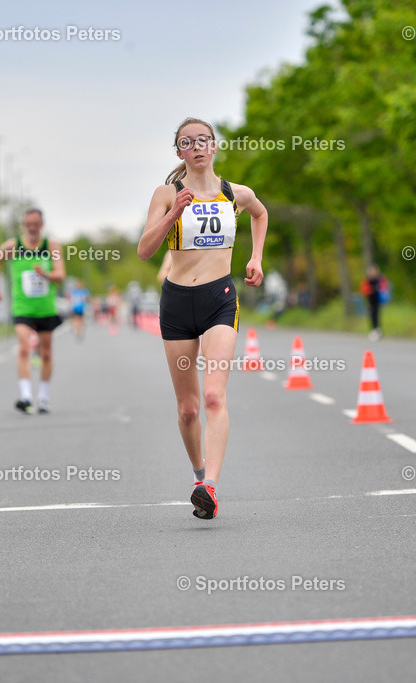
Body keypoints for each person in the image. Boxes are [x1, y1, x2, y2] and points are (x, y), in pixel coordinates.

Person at [137, 116, 267, 520]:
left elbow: (261, 215)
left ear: (214, 147)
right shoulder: (166, 193)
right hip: (176, 302)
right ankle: (197, 476)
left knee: (213, 396)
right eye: (187, 142)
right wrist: (172, 213)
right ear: (179, 152)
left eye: (203, 140)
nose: (196, 146)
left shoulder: (235, 193)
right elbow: (144, 251)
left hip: (219, 299)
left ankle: (210, 486)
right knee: (188, 408)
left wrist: (256, 257)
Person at [0, 208, 66, 414]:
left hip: (45, 308)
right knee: (24, 348)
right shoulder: (13, 245)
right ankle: (26, 397)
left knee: (45, 353)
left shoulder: (51, 245)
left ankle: (43, 397)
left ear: (41, 225)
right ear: (24, 225)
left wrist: (46, 275)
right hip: (22, 307)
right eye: (28, 225)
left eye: (36, 224)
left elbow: (61, 275)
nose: (32, 228)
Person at [360, 264, 388, 340]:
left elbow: (385, 287)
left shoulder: (380, 279)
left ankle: (377, 330)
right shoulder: (367, 280)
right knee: (371, 315)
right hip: (370, 300)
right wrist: (370, 290)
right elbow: (364, 290)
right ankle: (374, 330)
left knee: (377, 314)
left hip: (378, 300)